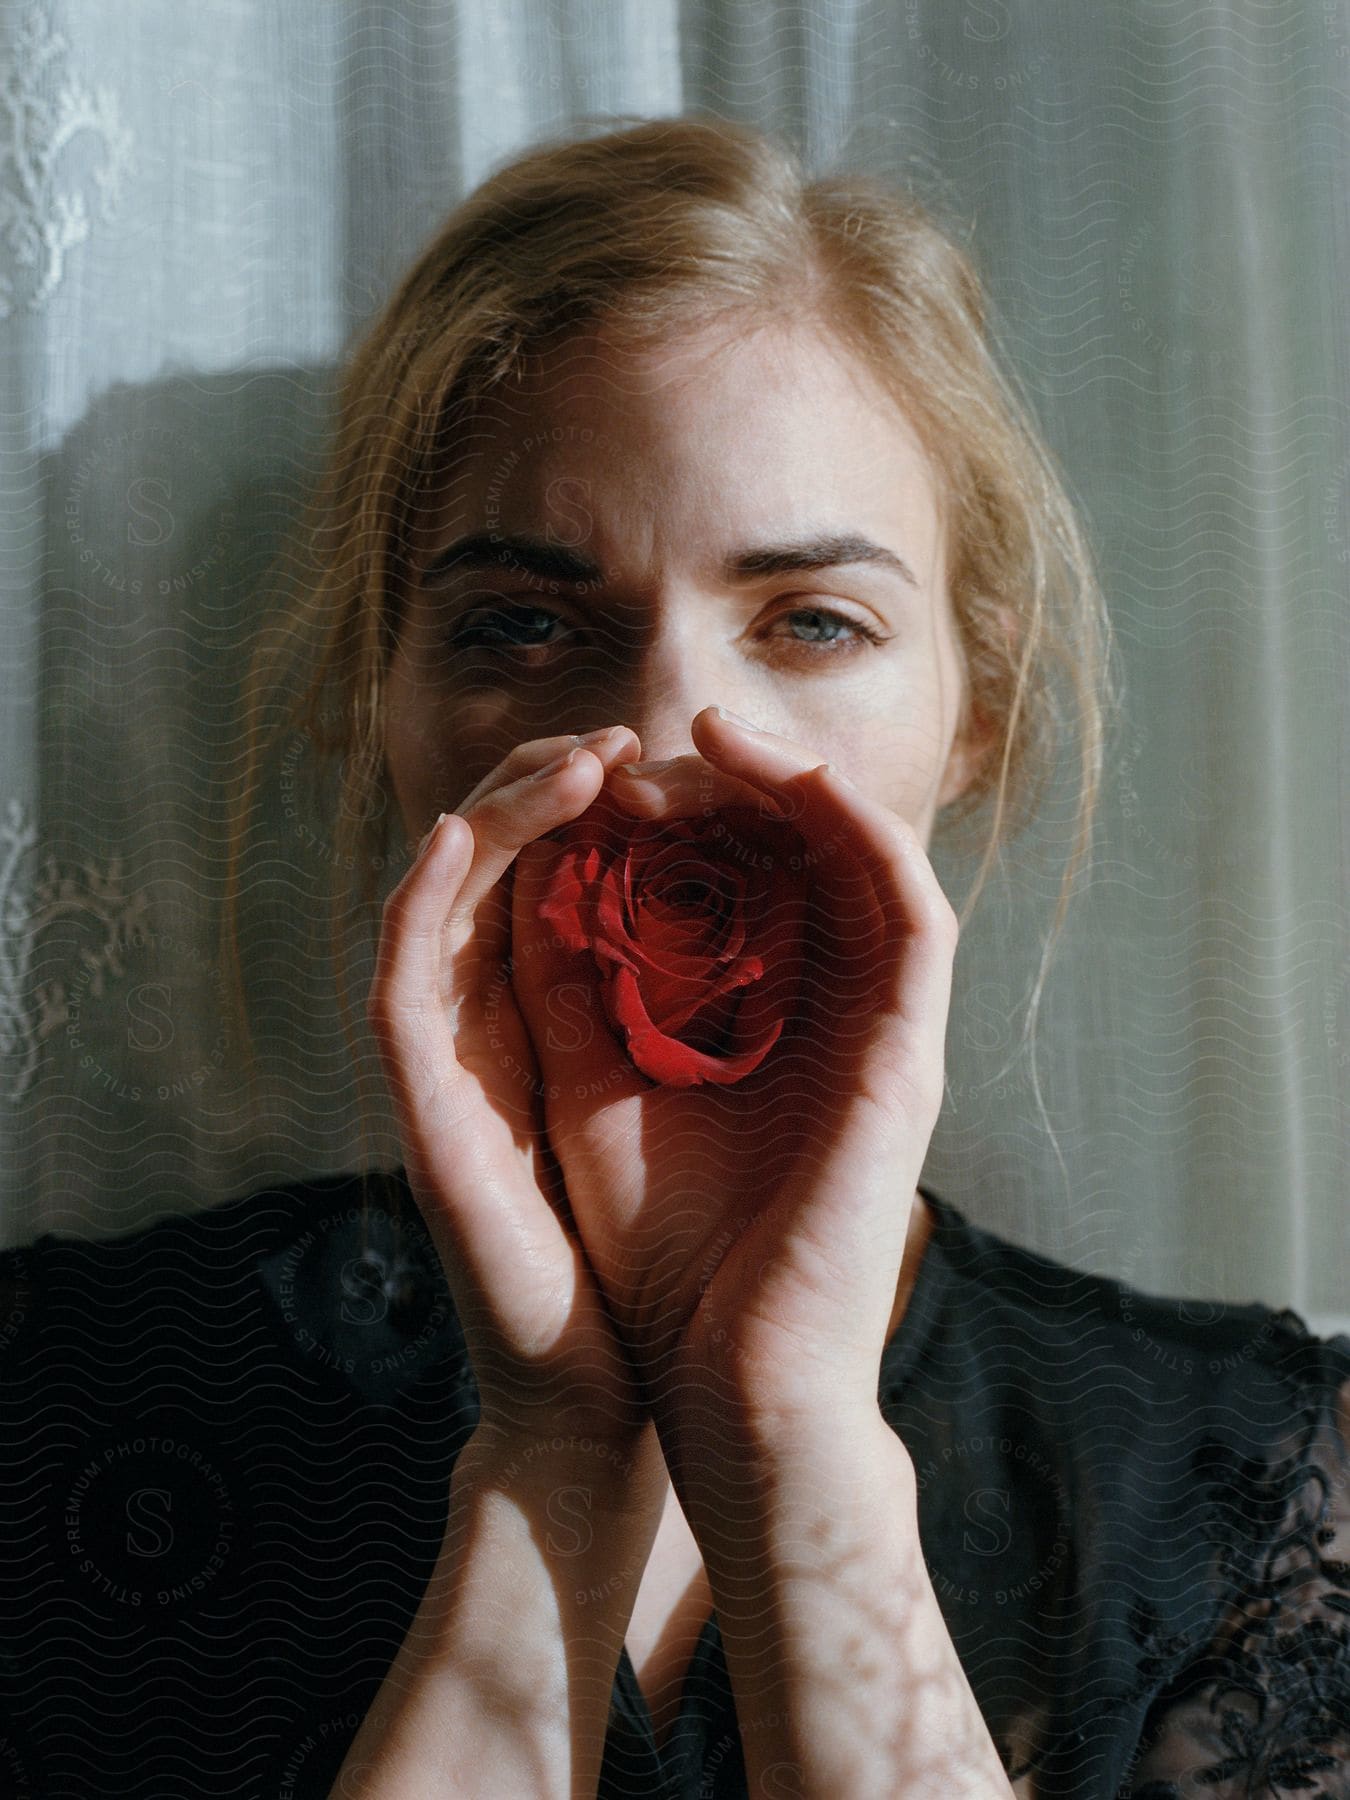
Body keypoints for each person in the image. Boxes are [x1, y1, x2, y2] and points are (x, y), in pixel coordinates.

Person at [2, 113, 1346, 1800]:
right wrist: (552, 1452)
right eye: (522, 624)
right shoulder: (52, 1405)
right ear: (378, 698)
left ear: (974, 718)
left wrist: (790, 1445)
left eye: (811, 622)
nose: (654, 745)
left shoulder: (1252, 1482)